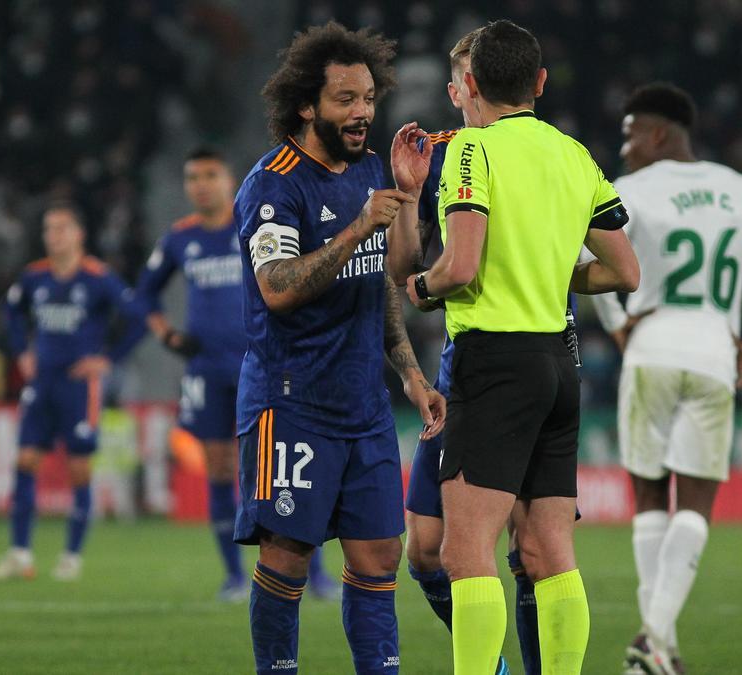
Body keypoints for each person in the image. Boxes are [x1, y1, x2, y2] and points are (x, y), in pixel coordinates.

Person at [402, 20, 638, 675]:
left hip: (493, 362)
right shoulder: (575, 154)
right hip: (561, 365)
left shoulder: (472, 152)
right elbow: (623, 271)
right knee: (548, 552)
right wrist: (546, 268)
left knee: (465, 553)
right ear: (538, 82)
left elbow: (461, 267)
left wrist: (419, 286)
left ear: (468, 84)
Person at [233, 21, 445, 675]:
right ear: (307, 105)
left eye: (368, 99)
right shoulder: (274, 184)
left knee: (380, 555)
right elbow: (276, 287)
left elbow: (389, 274)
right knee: (287, 556)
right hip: (291, 399)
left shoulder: (373, 169)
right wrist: (358, 227)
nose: (362, 113)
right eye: (346, 100)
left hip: (364, 405)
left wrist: (408, 371)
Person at [590, 82, 742, 675]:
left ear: (660, 133)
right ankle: (656, 642)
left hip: (652, 347)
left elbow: (580, 259)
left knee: (647, 493)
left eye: (632, 132)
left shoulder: (631, 190)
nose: (625, 145)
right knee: (695, 502)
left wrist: (616, 321)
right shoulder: (740, 189)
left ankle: (653, 640)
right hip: (715, 352)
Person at [134, 147, 338, 600]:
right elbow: (143, 295)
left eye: (210, 174)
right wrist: (167, 335)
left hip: (265, 363)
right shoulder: (178, 239)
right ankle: (232, 576)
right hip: (206, 370)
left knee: (285, 468)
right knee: (220, 467)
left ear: (229, 180)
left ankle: (316, 574)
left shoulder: (258, 220)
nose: (200, 184)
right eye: (192, 177)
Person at [0, 203, 145, 583]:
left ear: (78, 235)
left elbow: (138, 317)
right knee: (24, 461)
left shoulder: (98, 278)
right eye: (48, 229)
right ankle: (20, 553)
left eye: (60, 229)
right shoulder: (34, 277)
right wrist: (22, 350)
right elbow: (11, 313)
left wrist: (107, 359)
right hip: (42, 383)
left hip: (79, 386)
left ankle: (71, 556)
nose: (53, 236)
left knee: (78, 469)